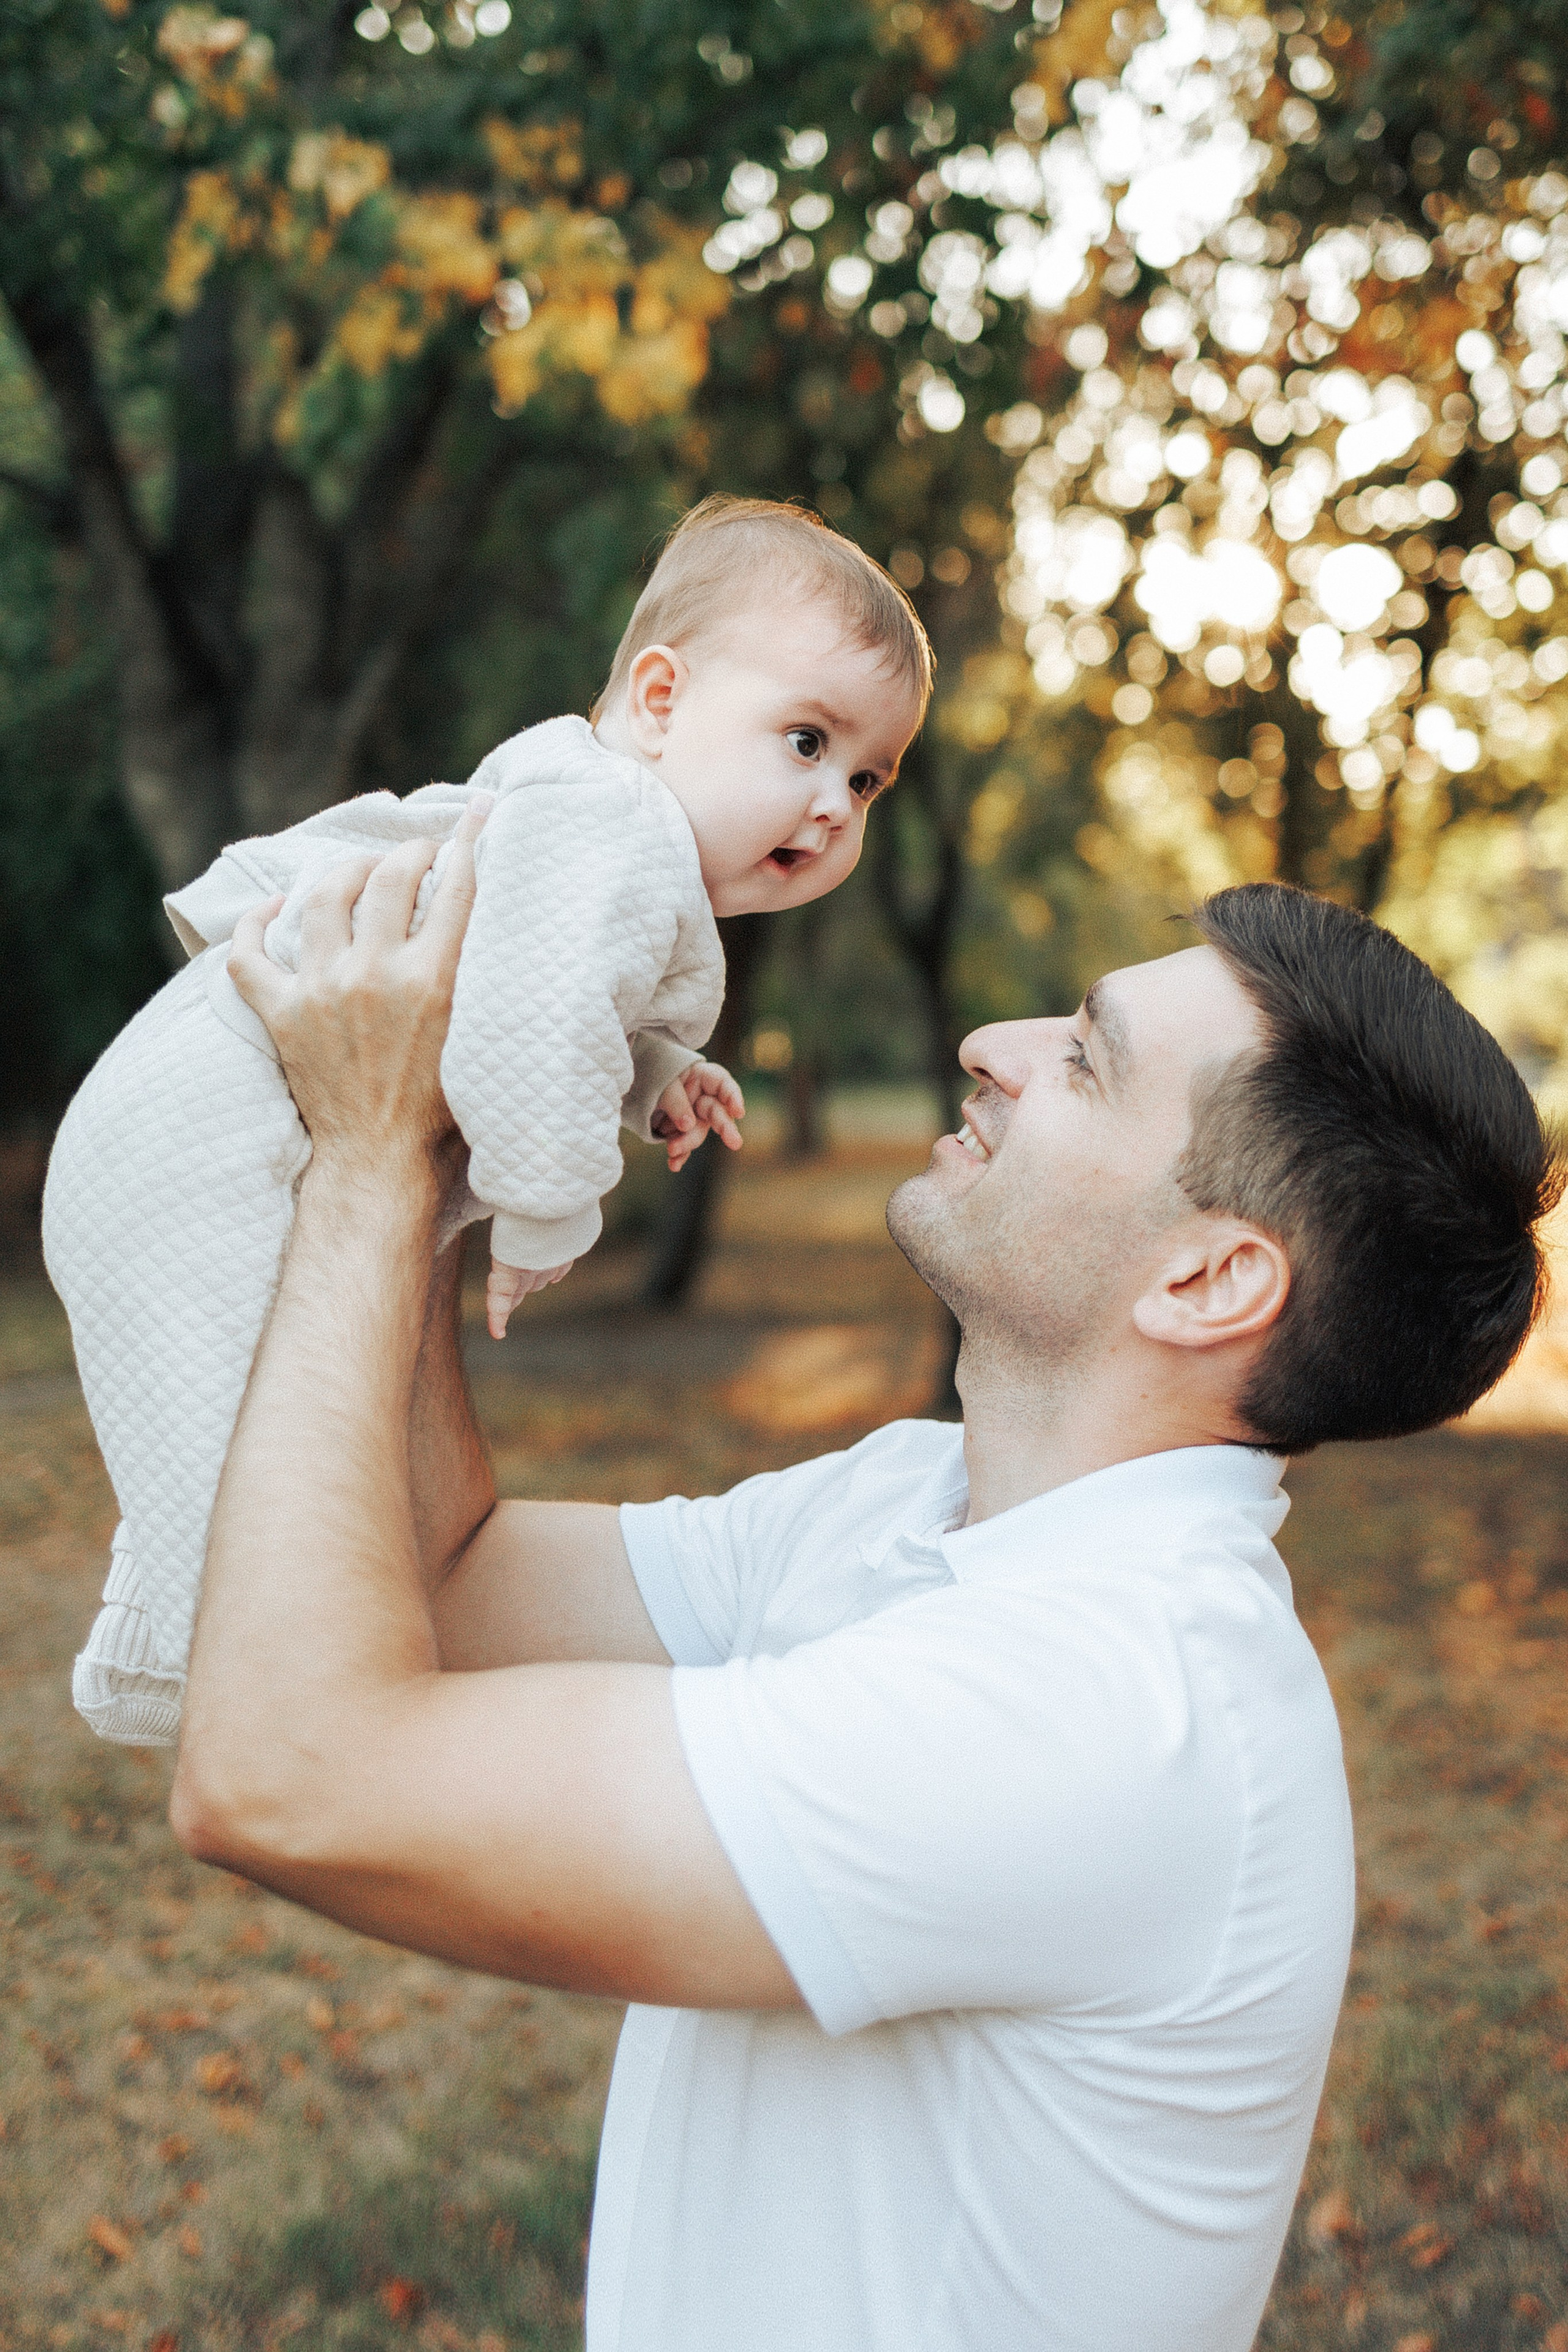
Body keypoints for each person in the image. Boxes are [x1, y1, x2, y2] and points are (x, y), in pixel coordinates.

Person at [170, 845, 1562, 2352]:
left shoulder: (1101, 1714)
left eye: (1084, 1062)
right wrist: (438, 1160)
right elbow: (449, 1579)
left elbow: (283, 1780)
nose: (990, 1046)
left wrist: (364, 1160)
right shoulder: (911, 1495)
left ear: (1206, 1282)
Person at [43, 496, 929, 1747]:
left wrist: (650, 1075)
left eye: (867, 777)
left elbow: (534, 988)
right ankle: (244, 1695)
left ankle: (174, 1664)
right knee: (249, 1457)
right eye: (805, 741)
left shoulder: (601, 828)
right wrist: (548, 1207)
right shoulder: (615, 822)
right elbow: (531, 1018)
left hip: (190, 1122)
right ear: (660, 700)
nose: (835, 802)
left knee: (225, 1421)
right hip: (202, 1131)